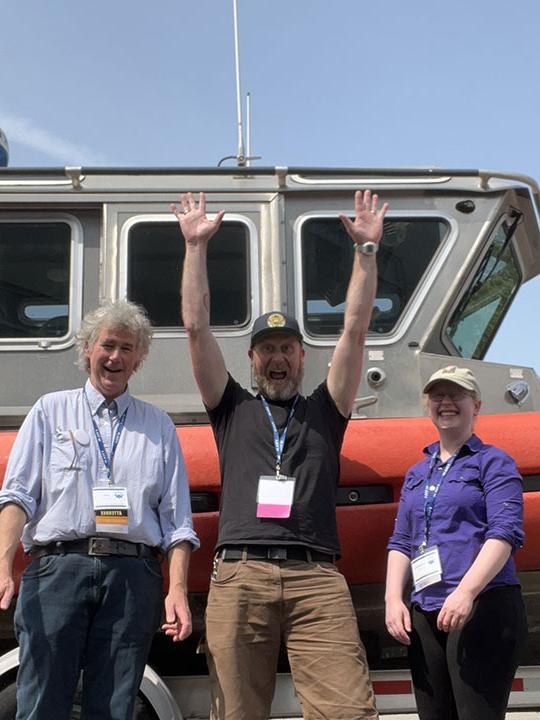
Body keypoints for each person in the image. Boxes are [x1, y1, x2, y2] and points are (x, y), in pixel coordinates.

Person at [171, 190, 387, 720]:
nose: (277, 357)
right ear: (251, 359)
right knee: (239, 714)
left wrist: (366, 252)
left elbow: (355, 330)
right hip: (240, 576)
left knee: (348, 712)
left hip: (317, 579)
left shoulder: (326, 409)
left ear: (301, 357)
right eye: (267, 348)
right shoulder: (230, 407)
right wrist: (195, 247)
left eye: (286, 348)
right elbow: (197, 327)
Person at [0, 300, 199, 720]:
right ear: (87, 348)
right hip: (57, 571)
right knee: (40, 703)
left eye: (127, 348)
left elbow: (177, 523)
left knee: (113, 705)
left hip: (132, 577)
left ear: (139, 359)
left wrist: (177, 589)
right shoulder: (49, 411)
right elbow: (17, 496)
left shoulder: (158, 425)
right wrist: (3, 564)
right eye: (108, 345)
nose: (116, 357)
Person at [385, 365, 527, 720]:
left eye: (456, 395)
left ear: (476, 405)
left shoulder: (493, 463)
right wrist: (391, 599)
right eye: (438, 395)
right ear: (427, 405)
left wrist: (465, 592)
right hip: (425, 609)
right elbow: (402, 541)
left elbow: (504, 534)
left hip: (481, 606)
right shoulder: (418, 473)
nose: (446, 402)